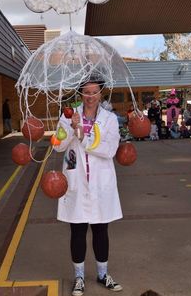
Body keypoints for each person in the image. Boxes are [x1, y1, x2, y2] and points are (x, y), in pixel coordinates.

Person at [54, 76, 123, 295]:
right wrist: (69, 128)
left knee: (101, 230)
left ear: (101, 93)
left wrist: (82, 137)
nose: (90, 96)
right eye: (86, 92)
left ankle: (103, 275)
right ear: (80, 94)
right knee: (78, 230)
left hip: (101, 183)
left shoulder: (110, 119)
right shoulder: (68, 116)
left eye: (94, 92)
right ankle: (79, 278)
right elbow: (57, 146)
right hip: (77, 182)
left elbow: (109, 150)